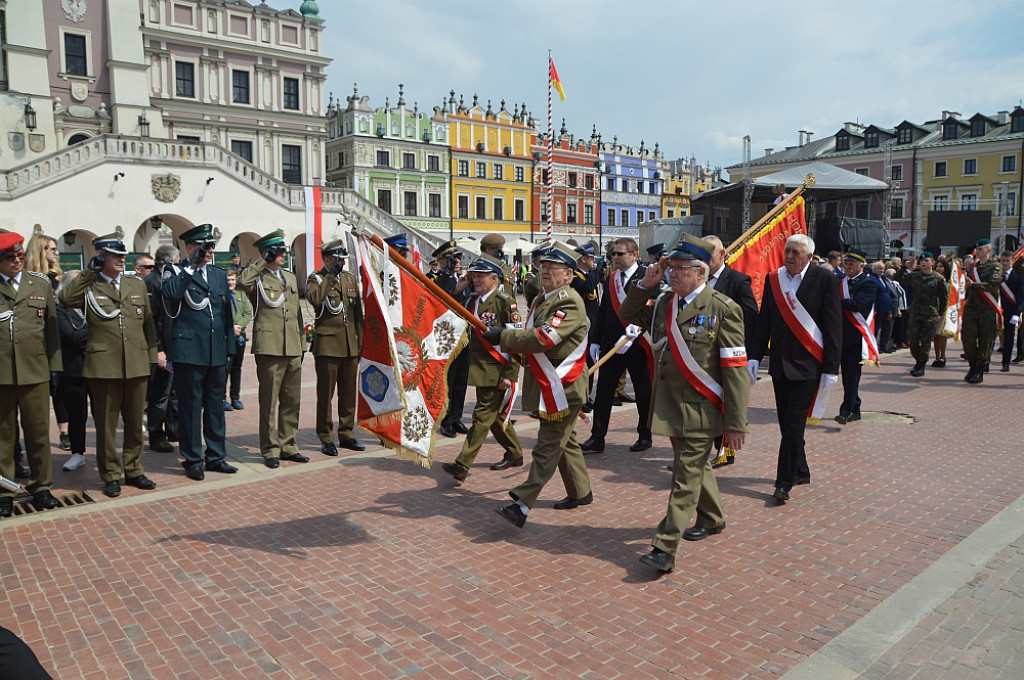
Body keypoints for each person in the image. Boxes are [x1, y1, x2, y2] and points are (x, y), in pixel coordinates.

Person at [620, 234, 750, 573]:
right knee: (694, 466)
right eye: (670, 268)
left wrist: (735, 423)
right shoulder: (665, 302)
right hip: (670, 405)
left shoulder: (724, 309)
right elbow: (629, 314)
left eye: (679, 269)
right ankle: (713, 516)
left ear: (701, 272)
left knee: (685, 475)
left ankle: (665, 547)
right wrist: (646, 283)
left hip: (701, 408)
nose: (672, 274)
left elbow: (735, 371)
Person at [485, 241, 592, 528]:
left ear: (568, 274)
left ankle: (521, 504)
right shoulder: (543, 299)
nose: (544, 271)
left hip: (563, 387)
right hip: (550, 386)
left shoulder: (568, 301)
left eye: (552, 267)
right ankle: (581, 491)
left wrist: (503, 338)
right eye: (543, 266)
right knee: (565, 443)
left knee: (547, 447)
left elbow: (545, 338)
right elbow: (532, 332)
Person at [59, 233, 158, 498]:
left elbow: (147, 323)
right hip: (104, 365)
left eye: (123, 255)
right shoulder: (89, 285)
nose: (121, 259)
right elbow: (66, 299)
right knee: (105, 426)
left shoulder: (135, 284)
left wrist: (151, 356)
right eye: (115, 255)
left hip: (135, 364)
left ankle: (134, 470)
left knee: (135, 423)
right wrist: (86, 275)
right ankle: (111, 474)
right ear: (102, 257)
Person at [750, 234, 842, 502]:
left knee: (792, 424)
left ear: (809, 257)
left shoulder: (825, 280)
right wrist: (755, 356)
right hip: (780, 366)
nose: (789, 256)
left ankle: (783, 481)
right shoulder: (773, 279)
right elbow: (763, 321)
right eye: (787, 251)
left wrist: (831, 368)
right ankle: (800, 469)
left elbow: (833, 326)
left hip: (809, 367)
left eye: (795, 253)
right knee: (787, 425)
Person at [161, 224, 237, 481]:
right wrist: (191, 267)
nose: (209, 251)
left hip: (215, 351)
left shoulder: (217, 274)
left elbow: (226, 313)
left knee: (215, 406)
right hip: (189, 350)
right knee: (191, 408)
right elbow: (170, 295)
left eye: (212, 246)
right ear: (190, 248)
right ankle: (192, 459)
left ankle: (216, 456)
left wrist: (229, 347)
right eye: (204, 247)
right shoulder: (174, 271)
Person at [440, 254, 524, 481]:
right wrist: (458, 290)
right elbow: (449, 313)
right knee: (494, 417)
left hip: (497, 368)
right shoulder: (471, 301)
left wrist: (510, 374)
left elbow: (516, 340)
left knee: (481, 416)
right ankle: (515, 453)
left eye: (480, 277)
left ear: (494, 278)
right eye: (474, 276)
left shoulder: (505, 302)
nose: (476, 280)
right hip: (479, 369)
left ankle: (462, 464)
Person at [0, 233, 62, 517]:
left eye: (19, 257)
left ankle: (41, 487)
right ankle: (4, 491)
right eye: (10, 258)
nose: (16, 261)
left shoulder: (40, 284)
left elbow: (51, 331)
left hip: (35, 372)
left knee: (38, 433)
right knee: (3, 436)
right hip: (1, 374)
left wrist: (54, 368)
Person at [236, 230, 308, 467]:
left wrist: (302, 344)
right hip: (270, 347)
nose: (284, 254)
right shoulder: (257, 278)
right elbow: (241, 282)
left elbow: (296, 312)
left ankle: (289, 445)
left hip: (292, 347)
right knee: (269, 402)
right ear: (269, 253)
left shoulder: (288, 276)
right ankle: (269, 450)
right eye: (279, 251)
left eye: (284, 250)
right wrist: (261, 261)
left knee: (291, 400)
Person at [581, 237, 653, 454]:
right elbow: (603, 312)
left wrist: (637, 327)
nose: (615, 257)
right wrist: (595, 340)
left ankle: (645, 434)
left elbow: (653, 306)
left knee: (643, 392)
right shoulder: (611, 278)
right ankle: (597, 437)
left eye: (620, 254)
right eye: (613, 254)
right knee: (604, 392)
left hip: (638, 344)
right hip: (612, 344)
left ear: (634, 255)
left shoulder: (647, 277)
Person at [702, 234, 757, 468]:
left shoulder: (736, 280)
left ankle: (726, 452)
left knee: (727, 402)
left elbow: (749, 314)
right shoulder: (697, 278)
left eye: (709, 253)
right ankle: (701, 452)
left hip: (726, 351)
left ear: (722, 254)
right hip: (701, 354)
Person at [306, 239, 365, 455]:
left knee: (348, 395)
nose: (343, 263)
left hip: (350, 345)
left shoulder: (349, 279)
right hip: (327, 345)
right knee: (326, 395)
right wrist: (330, 276)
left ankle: (347, 434)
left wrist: (361, 342)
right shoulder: (317, 278)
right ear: (328, 259)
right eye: (339, 260)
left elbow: (357, 314)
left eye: (343, 260)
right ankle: (326, 437)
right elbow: (314, 299)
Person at [24, 234, 69, 452]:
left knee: (60, 388)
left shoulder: (58, 278)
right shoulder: (27, 279)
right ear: (40, 251)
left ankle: (65, 431)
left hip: (58, 339)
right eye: (51, 249)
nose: (56, 253)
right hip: (33, 343)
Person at [429, 240, 471, 438]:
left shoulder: (464, 280)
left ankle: (456, 417)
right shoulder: (437, 280)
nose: (457, 261)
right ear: (442, 262)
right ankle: (445, 420)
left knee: (461, 381)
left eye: (459, 257)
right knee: (448, 381)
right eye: (453, 258)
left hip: (464, 336)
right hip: (447, 339)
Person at [836, 248, 876, 424]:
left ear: (861, 266)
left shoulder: (868, 283)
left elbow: (858, 304)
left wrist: (832, 301)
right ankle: (855, 406)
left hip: (856, 337)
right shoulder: (841, 281)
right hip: (841, 336)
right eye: (846, 263)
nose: (848, 266)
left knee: (852, 375)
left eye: (852, 264)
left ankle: (847, 410)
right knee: (847, 374)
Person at [145, 244, 179, 453]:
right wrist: (158, 349)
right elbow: (151, 321)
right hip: (160, 349)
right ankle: (156, 435)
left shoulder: (167, 279)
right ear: (170, 262)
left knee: (173, 392)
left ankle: (174, 430)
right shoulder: (151, 282)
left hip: (173, 346)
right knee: (159, 395)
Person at [56, 271, 90, 473]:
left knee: (103, 413)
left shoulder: (91, 307)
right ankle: (78, 452)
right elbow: (71, 336)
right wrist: (95, 333)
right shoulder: (60, 309)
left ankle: (105, 453)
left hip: (97, 367)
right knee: (77, 414)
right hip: (73, 369)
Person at [961, 239, 1004, 383]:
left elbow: (993, 286)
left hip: (987, 309)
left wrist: (974, 284)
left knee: (986, 341)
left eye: (980, 249)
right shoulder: (973, 267)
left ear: (988, 250)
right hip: (972, 309)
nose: (977, 252)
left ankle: (979, 370)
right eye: (977, 249)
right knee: (967, 339)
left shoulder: (995, 267)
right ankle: (972, 366)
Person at [905, 252, 949, 376]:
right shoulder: (915, 276)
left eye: (927, 261)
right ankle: (918, 360)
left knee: (926, 341)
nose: (924, 263)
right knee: (913, 340)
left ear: (932, 263)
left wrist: (941, 313)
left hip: (930, 314)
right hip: (916, 312)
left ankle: (921, 364)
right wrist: (906, 267)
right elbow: (899, 277)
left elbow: (944, 298)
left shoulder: (938, 279)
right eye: (922, 261)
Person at [224, 268, 252, 410]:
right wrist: (230, 328)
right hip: (226, 337)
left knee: (237, 368)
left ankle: (235, 397)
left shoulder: (241, 294)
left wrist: (239, 326)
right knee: (224, 369)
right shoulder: (222, 295)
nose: (231, 282)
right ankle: (222, 398)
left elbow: (248, 313)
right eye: (228, 280)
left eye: (233, 279)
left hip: (240, 336)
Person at [997, 250, 1023, 372]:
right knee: (990, 337)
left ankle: (1005, 363)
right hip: (996, 311)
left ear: (1013, 261)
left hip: (1010, 312)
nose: (1005, 263)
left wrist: (1017, 314)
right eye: (1003, 261)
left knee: (1008, 338)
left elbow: (1021, 296)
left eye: (1008, 261)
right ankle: (984, 362)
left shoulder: (1017, 277)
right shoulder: (996, 275)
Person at [869, 261, 895, 353]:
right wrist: (874, 308)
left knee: (886, 329)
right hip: (878, 309)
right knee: (875, 329)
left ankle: (883, 347)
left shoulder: (884, 279)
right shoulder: (872, 279)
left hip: (886, 308)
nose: (882, 270)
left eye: (883, 268)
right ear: (874, 269)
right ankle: (872, 348)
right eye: (880, 268)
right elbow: (872, 295)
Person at [932, 258, 953, 367]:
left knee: (942, 334)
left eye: (941, 266)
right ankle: (936, 357)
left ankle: (942, 356)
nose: (938, 269)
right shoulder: (932, 279)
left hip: (944, 310)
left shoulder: (949, 281)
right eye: (937, 266)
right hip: (933, 309)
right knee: (935, 335)